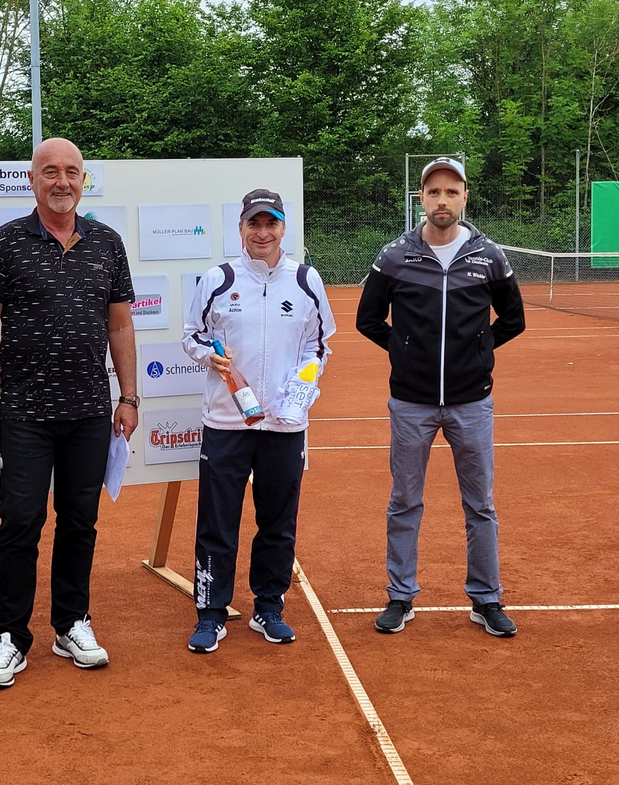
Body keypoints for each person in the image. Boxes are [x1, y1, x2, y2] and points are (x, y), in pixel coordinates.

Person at [0, 138, 139, 688]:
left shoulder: (108, 243)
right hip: (24, 412)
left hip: (89, 411)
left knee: (79, 522)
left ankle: (71, 623)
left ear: (83, 180)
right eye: (50, 172)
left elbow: (120, 324)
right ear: (32, 180)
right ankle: (9, 636)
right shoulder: (5, 242)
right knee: (20, 523)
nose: (61, 181)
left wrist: (129, 396)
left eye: (71, 172)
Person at [355, 157, 526, 638]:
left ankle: (486, 599)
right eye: (434, 192)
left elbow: (513, 320)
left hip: (472, 402)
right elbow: (368, 320)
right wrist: (405, 352)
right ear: (422, 198)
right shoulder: (395, 255)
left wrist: (479, 350)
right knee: (405, 501)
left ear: (465, 197)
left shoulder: (489, 256)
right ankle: (400, 596)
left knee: (481, 505)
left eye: (452, 192)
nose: (442, 200)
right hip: (411, 403)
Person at [181, 189, 336, 653]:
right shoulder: (219, 279)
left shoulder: (306, 280)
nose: (262, 232)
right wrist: (212, 358)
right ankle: (211, 612)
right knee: (217, 522)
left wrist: (300, 391)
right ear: (242, 229)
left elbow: (319, 345)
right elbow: (192, 336)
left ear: (283, 227)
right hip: (227, 422)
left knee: (278, 522)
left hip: (285, 426)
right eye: (254, 223)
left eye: (271, 223)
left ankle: (269, 606)